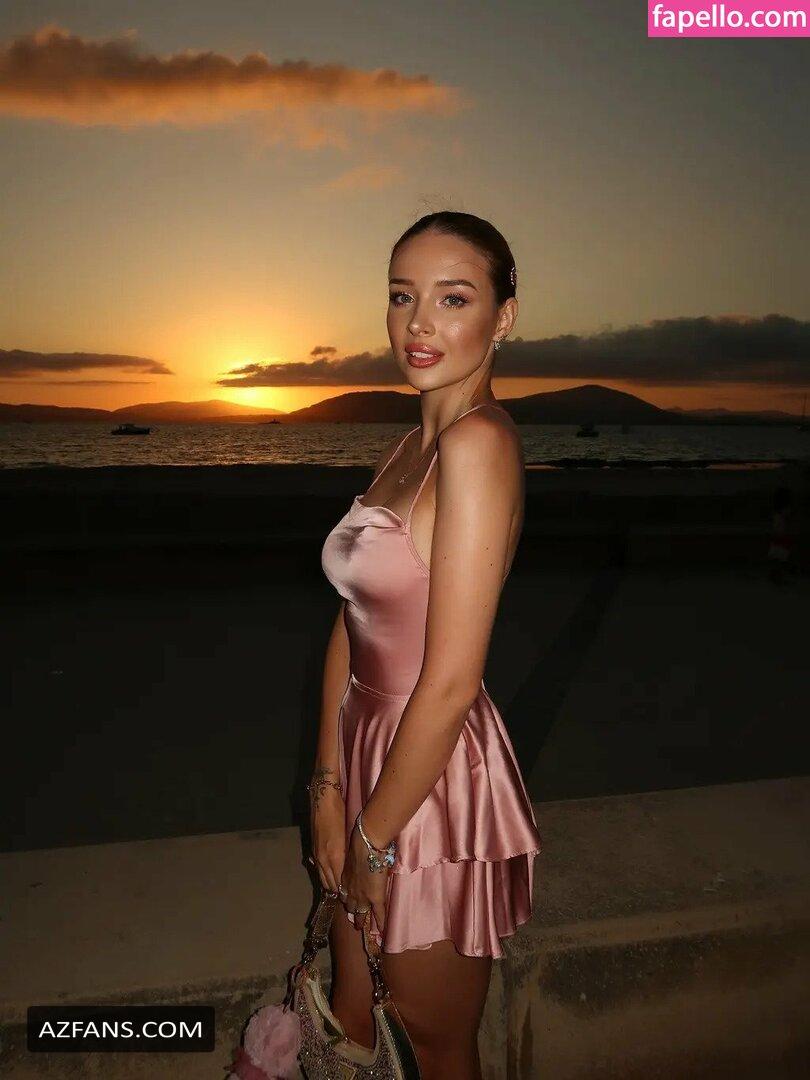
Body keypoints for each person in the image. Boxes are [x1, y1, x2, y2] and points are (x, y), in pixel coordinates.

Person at [309, 211, 542, 1078]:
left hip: (428, 780)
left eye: (453, 298)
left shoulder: (479, 447)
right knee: (354, 1013)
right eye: (402, 295)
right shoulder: (410, 445)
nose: (418, 322)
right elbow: (350, 617)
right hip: (365, 751)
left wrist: (374, 838)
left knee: (434, 1042)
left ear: (503, 316)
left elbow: (449, 684)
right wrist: (327, 784)